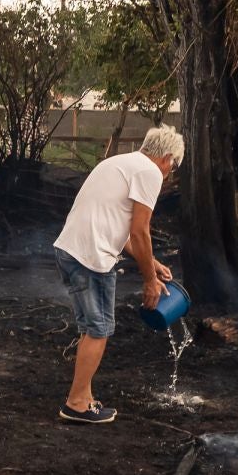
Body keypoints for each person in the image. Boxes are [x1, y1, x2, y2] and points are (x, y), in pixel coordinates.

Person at [50, 125, 182, 424]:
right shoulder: (149, 172)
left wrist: (152, 262)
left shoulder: (118, 162)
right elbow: (140, 230)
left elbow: (118, 229)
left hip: (69, 250)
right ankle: (76, 404)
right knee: (99, 330)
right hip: (91, 258)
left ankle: (84, 397)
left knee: (90, 329)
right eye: (173, 166)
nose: (169, 173)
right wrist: (150, 279)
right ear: (167, 157)